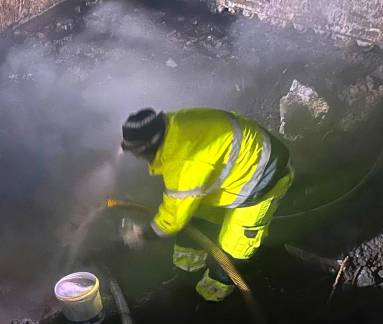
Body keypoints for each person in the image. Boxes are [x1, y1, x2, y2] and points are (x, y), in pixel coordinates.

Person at [119, 107, 293, 302]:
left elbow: (173, 219)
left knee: (234, 246)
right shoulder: (174, 124)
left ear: (149, 147)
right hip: (233, 164)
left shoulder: (183, 164)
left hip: (262, 174)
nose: (137, 158)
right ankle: (186, 274)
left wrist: (143, 234)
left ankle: (211, 296)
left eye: (137, 153)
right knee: (194, 219)